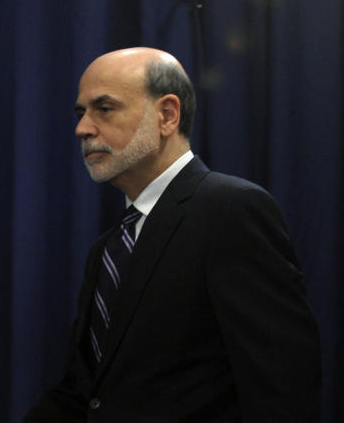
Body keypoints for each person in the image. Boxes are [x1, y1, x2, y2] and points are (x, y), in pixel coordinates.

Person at [25, 48, 321, 422]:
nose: (82, 128)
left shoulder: (231, 210)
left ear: (167, 115)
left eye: (104, 108)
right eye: (81, 113)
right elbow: (84, 392)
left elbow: (283, 386)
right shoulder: (108, 249)